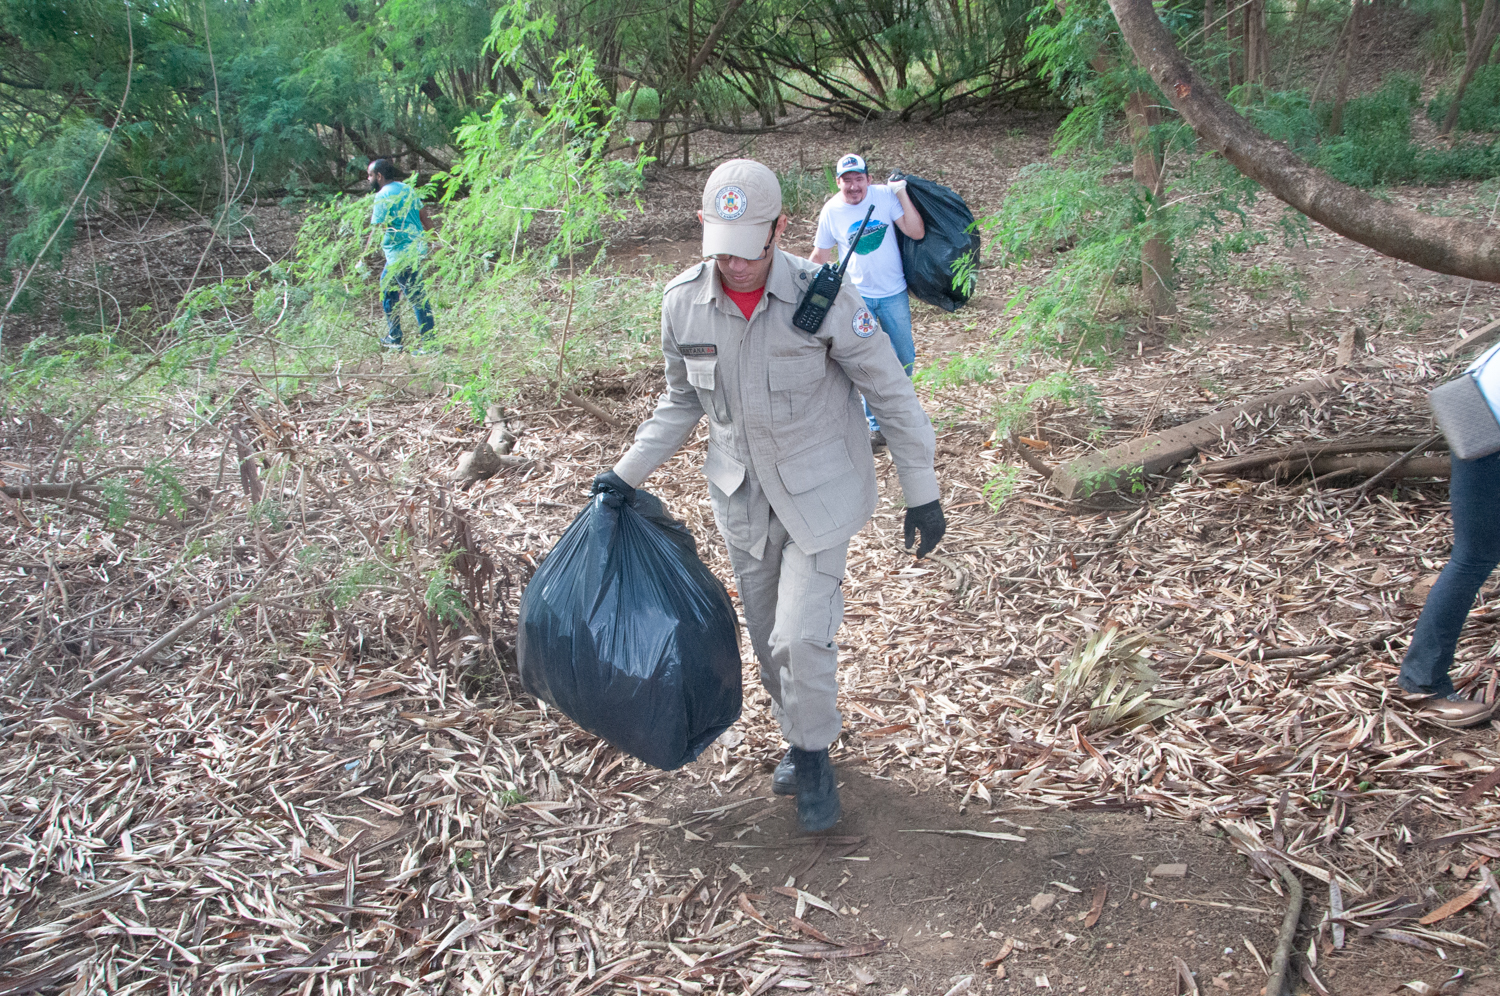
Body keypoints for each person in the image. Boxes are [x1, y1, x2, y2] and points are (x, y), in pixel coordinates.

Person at [592, 159, 946, 831]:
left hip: (821, 494)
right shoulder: (684, 303)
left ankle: (814, 759)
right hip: (743, 502)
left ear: (782, 228)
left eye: (752, 246)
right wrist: (624, 475)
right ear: (703, 228)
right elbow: (679, 404)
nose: (737, 264)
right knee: (767, 640)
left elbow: (890, 393)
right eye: (722, 247)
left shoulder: (823, 296)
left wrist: (921, 491)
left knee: (800, 635)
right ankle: (799, 734)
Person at [810, 153, 925, 451]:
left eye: (858, 179)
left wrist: (900, 191)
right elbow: (819, 257)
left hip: (893, 293)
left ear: (868, 179)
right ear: (837, 182)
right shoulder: (831, 211)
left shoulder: (884, 197)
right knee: (865, 362)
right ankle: (876, 427)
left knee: (904, 358)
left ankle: (900, 418)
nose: (853, 186)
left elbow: (916, 231)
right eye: (846, 180)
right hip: (857, 299)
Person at [1396, 449, 1500, 728]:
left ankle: (1422, 680)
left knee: (1472, 559)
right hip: (1487, 444)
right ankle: (1423, 682)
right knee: (1472, 559)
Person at [367, 159, 436, 353]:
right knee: (388, 290)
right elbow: (424, 216)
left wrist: (363, 256)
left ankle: (430, 344)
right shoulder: (407, 189)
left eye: (370, 175)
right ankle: (394, 337)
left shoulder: (382, 196)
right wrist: (434, 239)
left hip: (400, 255)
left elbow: (377, 229)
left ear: (379, 176)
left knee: (417, 297)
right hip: (413, 250)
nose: (368, 178)